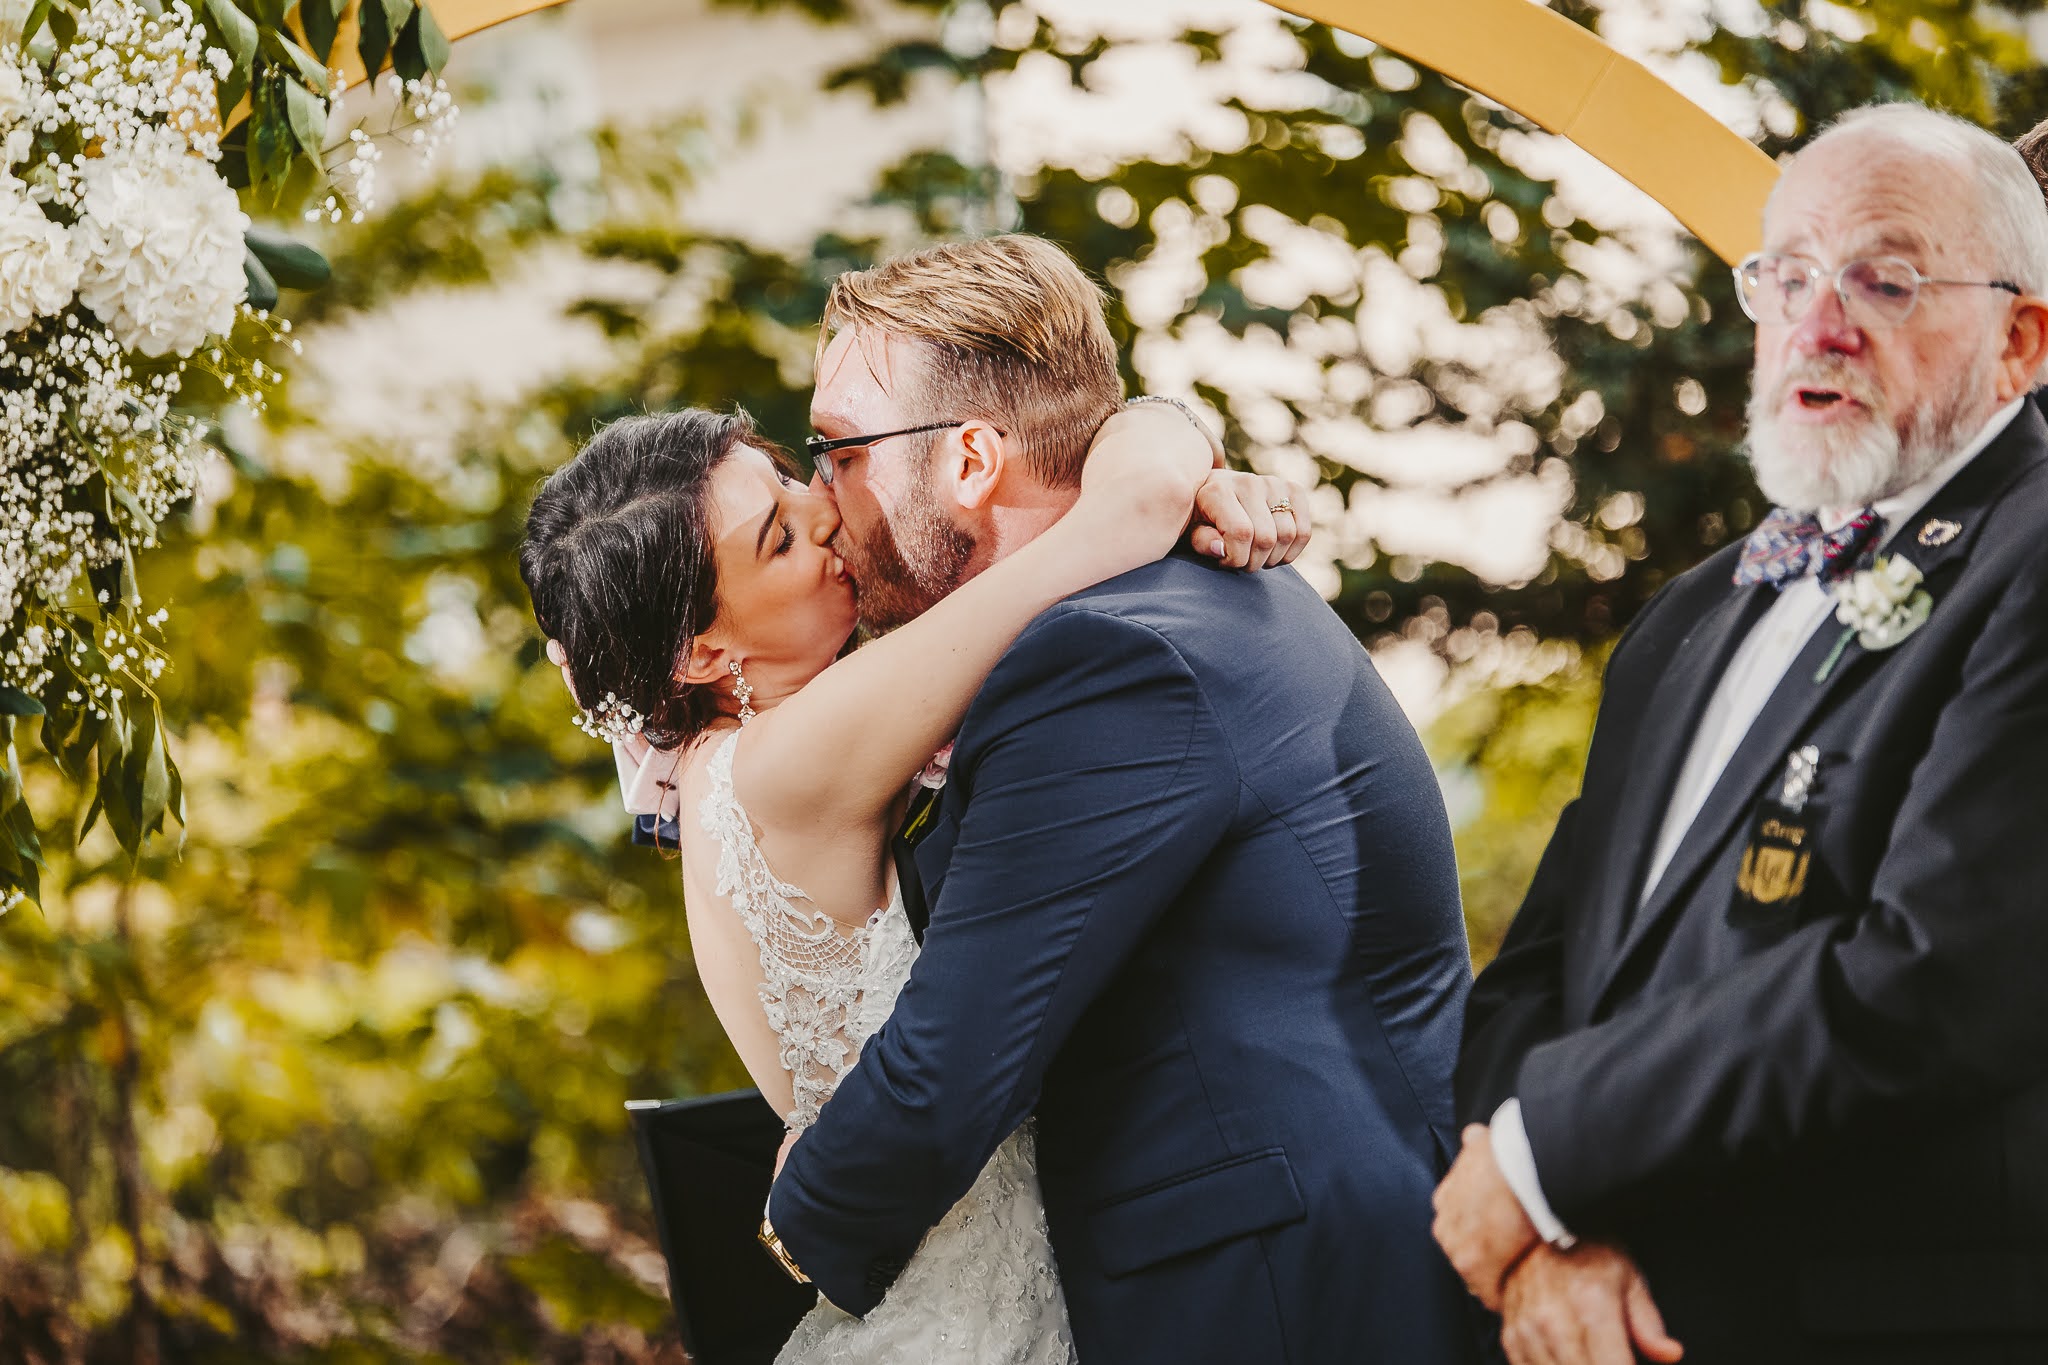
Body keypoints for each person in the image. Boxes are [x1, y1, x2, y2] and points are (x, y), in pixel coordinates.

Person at [521, 256, 1319, 1359]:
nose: (826, 517)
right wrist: (1168, 435)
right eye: (779, 540)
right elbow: (1099, 536)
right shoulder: (785, 762)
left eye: (794, 480)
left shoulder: (735, 758)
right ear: (702, 650)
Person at [759, 235, 1480, 1364]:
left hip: (1278, 1294)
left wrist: (791, 1227)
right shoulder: (1161, 593)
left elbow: (951, 1067)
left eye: (839, 450)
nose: (820, 493)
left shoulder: (1107, 657)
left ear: (970, 460)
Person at [1432, 103, 2048, 1365]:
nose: (1819, 326)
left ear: (2018, 342)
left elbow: (1932, 979)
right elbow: (1544, 968)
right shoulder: (1693, 613)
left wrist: (1541, 1159)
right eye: (1786, 277)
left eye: (1884, 281)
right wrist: (1551, 1243)